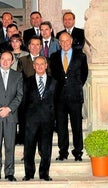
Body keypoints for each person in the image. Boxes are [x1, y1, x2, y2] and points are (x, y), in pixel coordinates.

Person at [50, 32, 88, 162]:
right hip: (59, 97)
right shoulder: (54, 57)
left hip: (75, 96)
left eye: (67, 40)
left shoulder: (81, 56)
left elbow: (84, 75)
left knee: (76, 125)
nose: (65, 43)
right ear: (59, 43)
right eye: (62, 41)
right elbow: (53, 76)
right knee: (61, 126)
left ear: (71, 41)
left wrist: (75, 86)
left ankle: (78, 152)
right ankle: (63, 152)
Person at [0, 51, 23, 182]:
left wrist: (9, 109)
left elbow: (19, 95)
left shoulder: (17, 75)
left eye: (8, 59)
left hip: (11, 116)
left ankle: (9, 172)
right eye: (3, 59)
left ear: (12, 61)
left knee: (10, 146)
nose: (5, 62)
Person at [22, 56, 56, 181]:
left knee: (46, 148)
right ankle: (29, 173)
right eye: (37, 64)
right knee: (29, 148)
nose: (40, 66)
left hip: (48, 119)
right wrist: (23, 121)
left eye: (42, 64)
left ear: (46, 65)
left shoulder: (54, 82)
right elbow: (23, 102)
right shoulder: (27, 81)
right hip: (31, 120)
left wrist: (55, 120)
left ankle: (44, 173)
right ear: (34, 66)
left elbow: (57, 102)